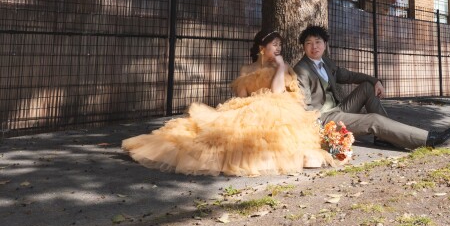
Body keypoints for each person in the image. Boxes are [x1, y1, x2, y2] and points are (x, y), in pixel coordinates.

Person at [122, 30, 337, 176]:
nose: (278, 48)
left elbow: (277, 92)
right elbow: (242, 97)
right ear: (262, 48)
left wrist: (280, 68)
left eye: (280, 45)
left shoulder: (284, 67)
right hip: (250, 111)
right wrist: (250, 111)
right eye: (274, 45)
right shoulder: (246, 70)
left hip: (278, 110)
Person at [294, 25, 450, 150]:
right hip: (324, 118)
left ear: (324, 44)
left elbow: (348, 76)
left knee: (367, 87)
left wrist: (375, 81)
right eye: (309, 43)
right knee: (373, 120)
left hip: (338, 109)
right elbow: (304, 103)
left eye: (317, 42)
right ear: (303, 47)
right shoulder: (302, 69)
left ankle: (386, 137)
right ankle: (427, 139)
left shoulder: (326, 62)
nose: (314, 47)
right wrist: (315, 134)